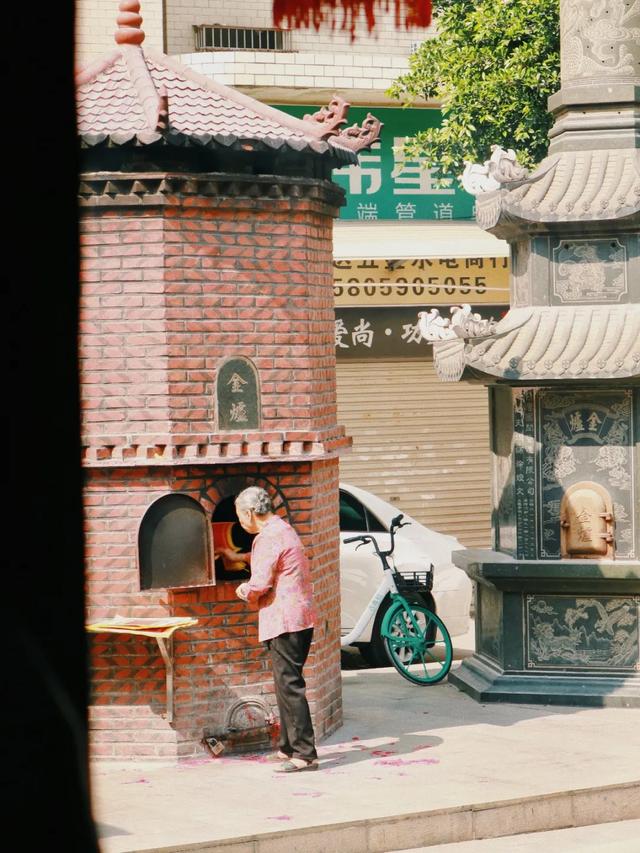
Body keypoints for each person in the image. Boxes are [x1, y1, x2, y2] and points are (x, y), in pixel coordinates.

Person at [218, 486, 319, 772]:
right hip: (298, 618)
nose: (239, 522)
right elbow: (276, 561)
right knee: (284, 684)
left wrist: (243, 590)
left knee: (290, 687)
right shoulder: (282, 529)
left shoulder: (266, 537)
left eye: (239, 516)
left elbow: (259, 584)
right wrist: (239, 557)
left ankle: (305, 754)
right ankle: (288, 747)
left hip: (284, 621)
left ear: (250, 513)